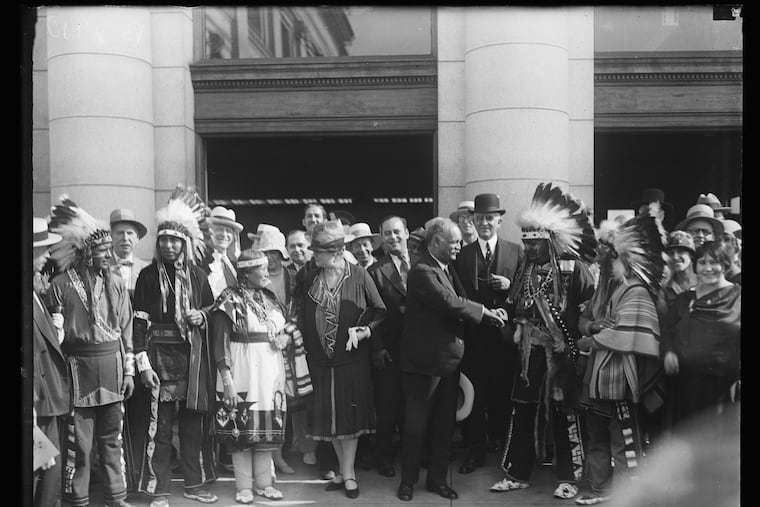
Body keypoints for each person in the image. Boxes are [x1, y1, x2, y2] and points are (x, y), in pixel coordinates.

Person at [490, 182, 596, 500]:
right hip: (528, 357)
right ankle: (517, 473)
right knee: (522, 411)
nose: (528, 249)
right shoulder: (525, 271)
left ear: (549, 241)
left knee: (565, 414)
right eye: (526, 243)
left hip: (563, 358)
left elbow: (588, 313)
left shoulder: (574, 270)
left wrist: (579, 346)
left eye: (534, 244)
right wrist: (506, 323)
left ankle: (570, 477)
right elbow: (512, 307)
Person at [396, 217, 506, 502]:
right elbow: (448, 301)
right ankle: (407, 482)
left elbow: (459, 298)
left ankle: (436, 480)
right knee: (416, 426)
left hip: (449, 363)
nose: (459, 246)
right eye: (453, 242)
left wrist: (492, 311)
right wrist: (483, 312)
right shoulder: (422, 270)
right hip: (423, 365)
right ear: (435, 242)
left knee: (444, 426)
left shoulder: (446, 268)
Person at [131, 185, 218, 507]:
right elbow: (139, 320)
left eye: (175, 240)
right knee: (161, 428)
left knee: (194, 426)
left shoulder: (198, 275)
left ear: (184, 243)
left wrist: (202, 315)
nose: (169, 245)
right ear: (158, 242)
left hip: (192, 358)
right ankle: (159, 490)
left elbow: (212, 310)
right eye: (164, 239)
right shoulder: (147, 276)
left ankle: (196, 486)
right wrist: (142, 361)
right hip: (158, 358)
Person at [47, 198, 135, 507]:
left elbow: (126, 330)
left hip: (112, 365)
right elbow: (54, 338)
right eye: (101, 251)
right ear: (85, 252)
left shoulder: (116, 283)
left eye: (109, 251)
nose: (108, 256)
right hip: (78, 369)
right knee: (80, 443)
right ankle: (79, 498)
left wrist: (129, 371)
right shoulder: (59, 285)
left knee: (112, 440)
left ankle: (115, 497)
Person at [575, 212, 668, 506]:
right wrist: (590, 327)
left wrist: (590, 338)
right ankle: (600, 490)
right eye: (603, 251)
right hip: (596, 378)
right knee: (597, 435)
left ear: (624, 258)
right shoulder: (603, 288)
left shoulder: (637, 290)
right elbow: (584, 319)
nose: (604, 257)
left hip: (621, 381)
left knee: (624, 439)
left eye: (611, 252)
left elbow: (625, 334)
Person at [297, 220, 387, 499]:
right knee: (332, 422)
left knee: (348, 419)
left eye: (319, 252)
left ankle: (348, 473)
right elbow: (300, 313)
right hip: (320, 362)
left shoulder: (358, 275)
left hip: (351, 360)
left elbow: (380, 311)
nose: (315, 256)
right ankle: (343, 471)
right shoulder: (311, 277)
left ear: (334, 252)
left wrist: (365, 330)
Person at [209, 249, 305, 502]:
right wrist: (227, 381)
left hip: (270, 374)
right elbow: (220, 344)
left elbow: (289, 323)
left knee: (266, 431)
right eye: (262, 268)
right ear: (247, 273)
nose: (267, 272)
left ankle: (264, 484)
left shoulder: (271, 298)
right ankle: (243, 487)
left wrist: (286, 335)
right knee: (241, 430)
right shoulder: (228, 300)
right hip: (241, 372)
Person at [453, 193, 522, 474]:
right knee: (474, 395)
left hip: (504, 339)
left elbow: (524, 289)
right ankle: (475, 452)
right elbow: (457, 294)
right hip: (474, 337)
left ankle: (501, 448)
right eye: (480, 218)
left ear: (499, 221)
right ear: (473, 220)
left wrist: (509, 292)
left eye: (489, 219)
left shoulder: (515, 251)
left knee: (503, 395)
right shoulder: (463, 254)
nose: (484, 223)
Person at [660, 240, 740, 429]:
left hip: (725, 389)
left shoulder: (737, 296)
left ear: (725, 265)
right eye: (702, 262)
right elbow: (668, 331)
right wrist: (669, 352)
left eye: (714, 262)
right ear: (695, 266)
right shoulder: (684, 299)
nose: (708, 268)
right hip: (687, 388)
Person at [366, 215, 420, 478]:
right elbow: (369, 313)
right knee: (387, 407)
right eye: (387, 234)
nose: (393, 237)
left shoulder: (424, 263)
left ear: (407, 233)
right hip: (389, 350)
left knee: (417, 407)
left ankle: (417, 455)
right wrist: (376, 347)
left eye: (397, 232)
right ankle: (384, 457)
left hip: (421, 350)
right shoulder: (375, 271)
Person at [248, 224, 301, 474]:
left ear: (282, 255)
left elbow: (299, 311)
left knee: (285, 402)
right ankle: (266, 457)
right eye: (265, 253)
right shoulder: (252, 279)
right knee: (261, 400)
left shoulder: (294, 277)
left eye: (274, 253)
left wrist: (288, 335)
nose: (270, 258)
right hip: (259, 349)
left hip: (289, 346)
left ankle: (279, 453)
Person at [31, 217, 68, 507]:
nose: (46, 256)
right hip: (37, 403)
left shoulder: (36, 292)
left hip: (47, 398)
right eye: (41, 249)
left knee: (48, 473)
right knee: (41, 471)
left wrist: (57, 331)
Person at [109, 208, 151, 300]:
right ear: (110, 237)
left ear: (137, 238)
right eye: (120, 233)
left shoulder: (146, 269)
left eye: (129, 233)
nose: (125, 238)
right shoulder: (101, 267)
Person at [204, 205, 243, 300]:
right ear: (209, 231)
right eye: (219, 229)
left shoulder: (234, 264)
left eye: (228, 231)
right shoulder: (201, 261)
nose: (224, 235)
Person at [659, 231, 698, 312]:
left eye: (680, 252)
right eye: (671, 253)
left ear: (691, 255)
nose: (675, 257)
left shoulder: (704, 281)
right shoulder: (665, 288)